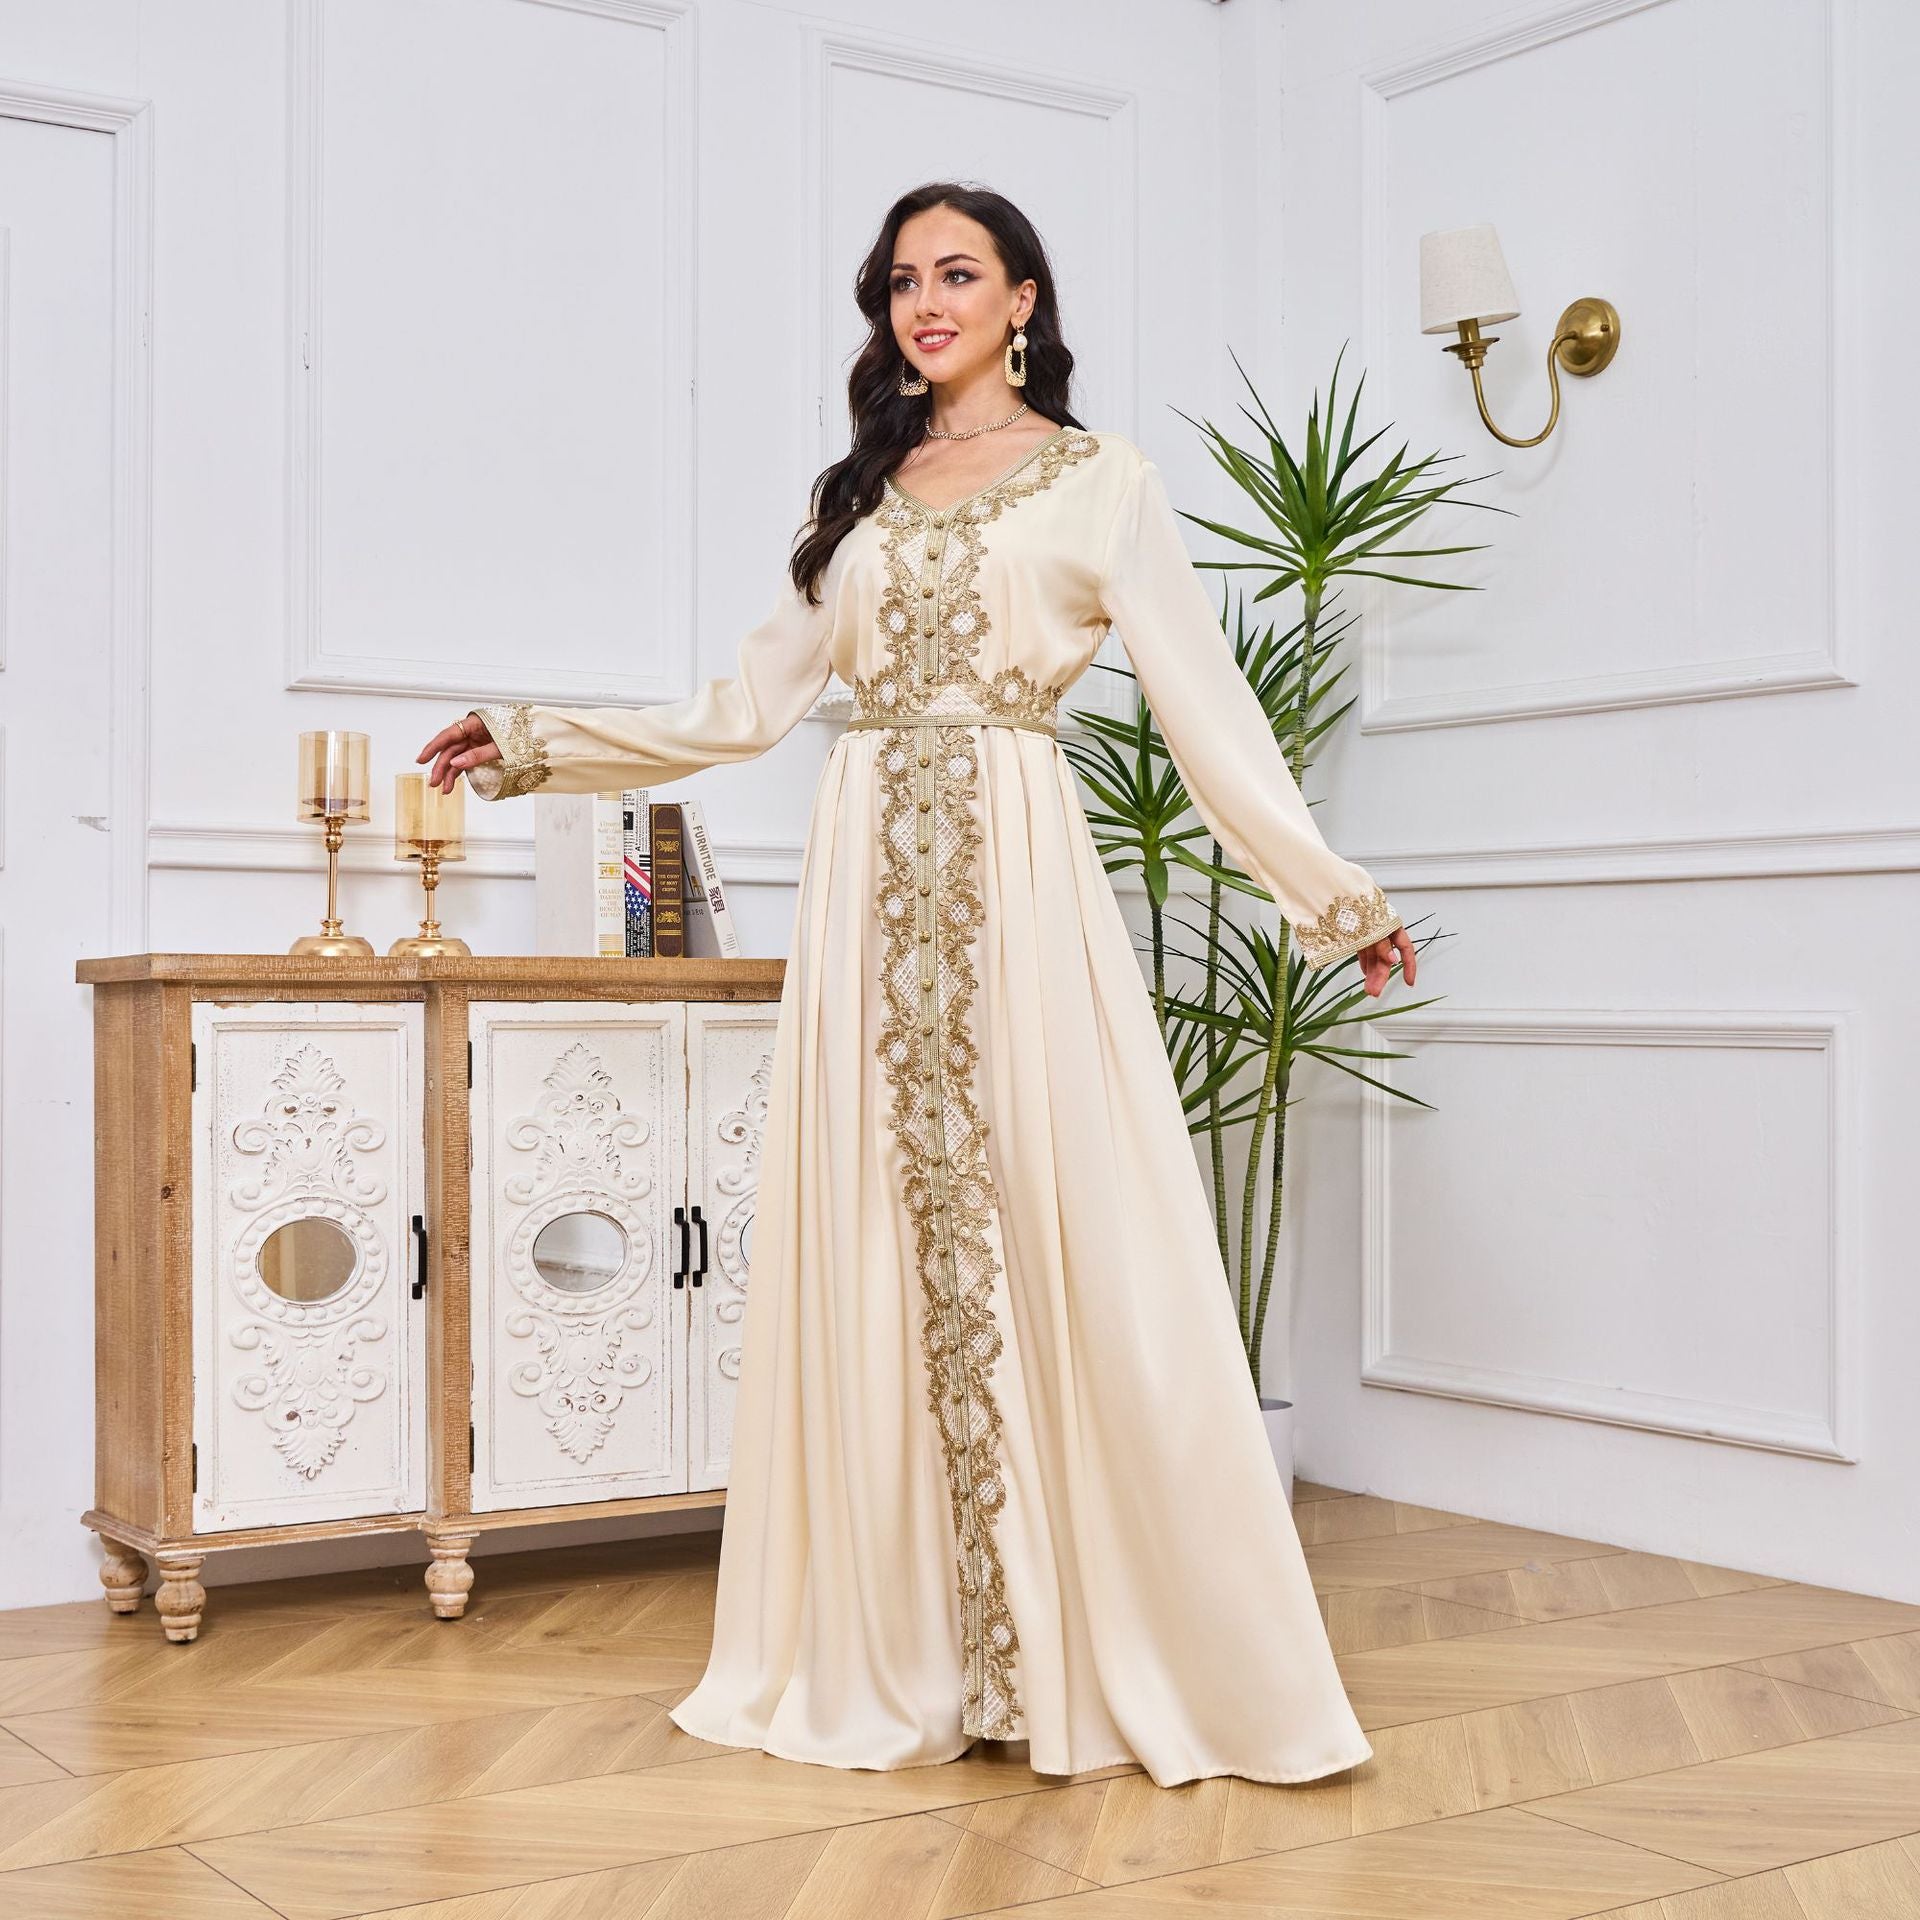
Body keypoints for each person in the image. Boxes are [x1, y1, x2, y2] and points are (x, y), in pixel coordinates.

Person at [418, 182, 1413, 1788]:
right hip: (866, 895)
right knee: (878, 1242)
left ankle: (1107, 1646)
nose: (925, 302)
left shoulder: (1102, 486)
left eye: (959, 274)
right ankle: (924, 1653)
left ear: (1026, 296)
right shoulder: (867, 499)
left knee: (1065, 1228)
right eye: (900, 282)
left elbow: (1206, 707)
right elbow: (742, 707)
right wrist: (537, 742)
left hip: (1021, 885)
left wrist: (1330, 895)